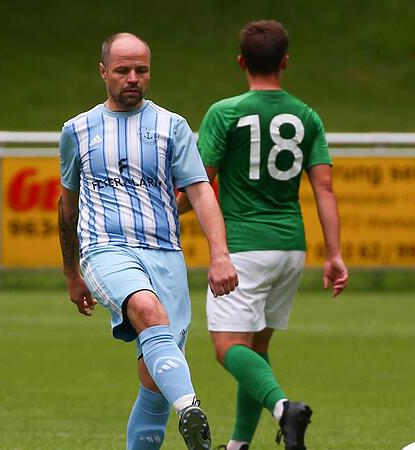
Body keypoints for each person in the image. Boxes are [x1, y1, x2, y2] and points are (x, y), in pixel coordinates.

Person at [58, 32, 238, 450]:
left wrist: (220, 255)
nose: (133, 78)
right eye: (123, 70)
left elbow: (201, 193)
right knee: (145, 307)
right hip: (106, 250)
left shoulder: (172, 127)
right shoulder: (77, 130)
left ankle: (175, 404)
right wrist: (71, 272)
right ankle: (191, 407)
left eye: (141, 70)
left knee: (154, 383)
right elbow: (67, 209)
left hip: (165, 256)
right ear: (103, 72)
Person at [178, 20, 348, 450]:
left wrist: (156, 210)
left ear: (241, 62)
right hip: (290, 246)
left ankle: (283, 409)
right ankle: (239, 446)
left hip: (243, 247)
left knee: (226, 348)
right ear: (285, 62)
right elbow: (324, 187)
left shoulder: (226, 112)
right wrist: (334, 253)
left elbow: (201, 182)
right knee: (254, 347)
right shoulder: (307, 115)